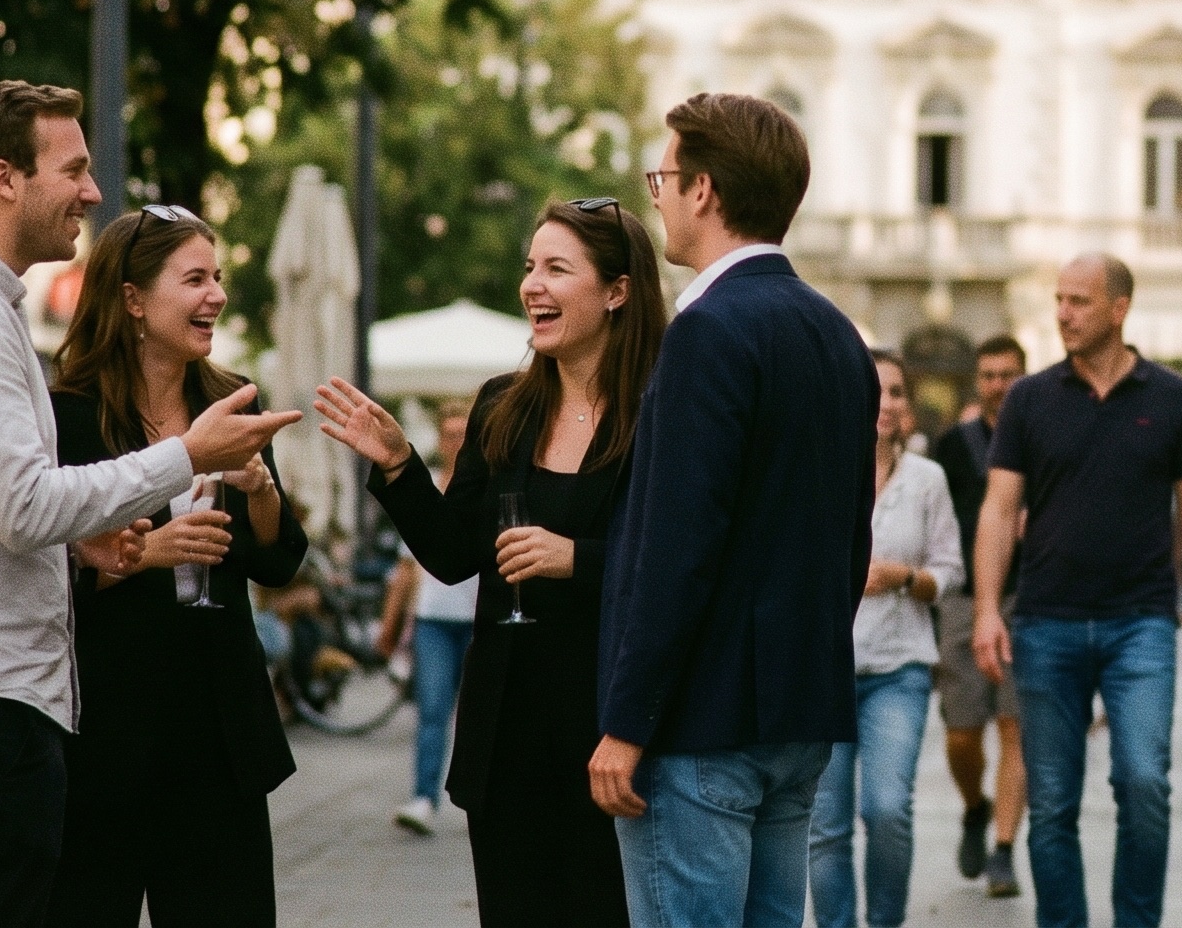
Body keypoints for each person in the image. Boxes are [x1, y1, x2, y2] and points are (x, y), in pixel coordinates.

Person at [0, 81, 297, 926]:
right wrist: (185, 458)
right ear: (5, 177)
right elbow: (20, 505)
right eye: (75, 169)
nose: (92, 192)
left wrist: (78, 547)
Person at [321, 198, 666, 926]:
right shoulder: (502, 406)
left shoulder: (661, 412)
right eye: (529, 266)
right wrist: (397, 465)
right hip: (506, 730)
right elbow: (453, 556)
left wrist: (579, 559)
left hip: (610, 728)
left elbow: (680, 565)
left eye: (556, 269)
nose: (531, 285)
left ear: (617, 290)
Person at [592, 94, 881, 928]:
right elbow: (848, 538)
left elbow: (677, 548)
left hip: (702, 720)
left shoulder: (708, 331)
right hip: (799, 711)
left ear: (705, 190)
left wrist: (628, 721)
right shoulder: (836, 334)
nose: (658, 198)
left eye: (665, 177)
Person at [45, 204, 311, 927]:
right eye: (195, 279)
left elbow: (277, 561)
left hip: (218, 734)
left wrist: (258, 490)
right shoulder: (68, 412)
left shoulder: (228, 401)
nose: (217, 295)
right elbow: (34, 560)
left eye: (217, 277)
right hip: (104, 733)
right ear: (133, 298)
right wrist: (137, 557)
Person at [970, 254, 1182, 928]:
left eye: (1079, 300)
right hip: (1046, 621)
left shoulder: (1171, 398)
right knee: (1052, 803)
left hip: (1139, 621)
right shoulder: (1029, 399)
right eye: (1058, 299)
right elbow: (999, 510)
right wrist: (990, 609)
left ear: (1119, 308)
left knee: (1143, 784)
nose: (1062, 313)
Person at [808, 350, 963, 928]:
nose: (887, 402)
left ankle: (886, 921)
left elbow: (950, 572)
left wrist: (903, 577)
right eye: (876, 390)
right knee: (826, 826)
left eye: (897, 392)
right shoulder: (818, 473)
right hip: (825, 672)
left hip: (899, 669)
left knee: (888, 809)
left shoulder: (929, 481)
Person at [932, 334, 1028, 897]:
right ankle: (975, 807)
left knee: (1017, 727)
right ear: (978, 381)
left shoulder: (1043, 437)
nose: (999, 386)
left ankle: (1004, 848)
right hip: (965, 602)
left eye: (1008, 374)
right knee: (962, 734)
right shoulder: (954, 444)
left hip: (1029, 600)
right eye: (989, 375)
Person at [380, 402, 478, 837]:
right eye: (449, 434)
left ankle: (481, 798)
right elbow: (406, 569)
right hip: (434, 618)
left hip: (481, 620)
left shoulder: (486, 490)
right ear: (439, 440)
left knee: (480, 715)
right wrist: (389, 625)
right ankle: (423, 797)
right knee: (433, 709)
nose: (455, 442)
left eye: (463, 434)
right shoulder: (429, 492)